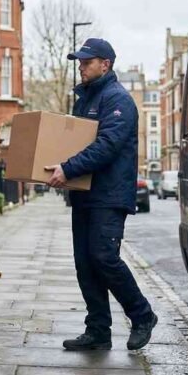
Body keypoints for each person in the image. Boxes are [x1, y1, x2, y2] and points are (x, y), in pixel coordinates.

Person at [44, 38, 158, 351]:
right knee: (85, 263)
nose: (81, 67)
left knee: (104, 257)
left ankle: (142, 315)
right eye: (79, 62)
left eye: (86, 61)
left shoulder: (117, 99)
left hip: (109, 195)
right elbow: (74, 143)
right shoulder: (85, 99)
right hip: (84, 194)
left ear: (105, 64)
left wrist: (68, 168)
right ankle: (98, 330)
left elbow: (106, 146)